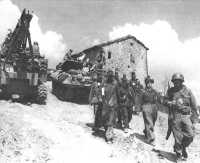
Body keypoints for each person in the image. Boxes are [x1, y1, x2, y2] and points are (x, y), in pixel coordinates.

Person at [164, 73, 198, 161]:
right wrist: (170, 103)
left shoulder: (187, 91)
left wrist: (194, 120)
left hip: (186, 116)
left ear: (181, 82)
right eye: (175, 82)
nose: (176, 84)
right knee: (177, 136)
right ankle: (178, 154)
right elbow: (164, 100)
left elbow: (194, 105)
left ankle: (183, 147)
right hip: (175, 115)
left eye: (178, 81)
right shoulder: (170, 91)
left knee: (190, 135)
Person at [101, 70, 118, 143]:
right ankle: (108, 133)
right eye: (109, 77)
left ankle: (109, 137)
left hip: (112, 105)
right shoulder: (103, 85)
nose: (110, 78)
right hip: (105, 104)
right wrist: (103, 100)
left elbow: (116, 94)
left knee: (111, 120)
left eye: (111, 77)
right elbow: (102, 94)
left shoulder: (115, 85)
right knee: (105, 119)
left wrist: (114, 102)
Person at [141, 76, 159, 146]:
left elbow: (159, 99)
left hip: (154, 107)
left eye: (151, 82)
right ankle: (151, 138)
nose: (149, 84)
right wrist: (139, 108)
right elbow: (139, 100)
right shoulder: (143, 91)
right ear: (146, 83)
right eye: (148, 82)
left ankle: (146, 131)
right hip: (146, 106)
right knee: (149, 122)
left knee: (153, 121)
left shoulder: (154, 91)